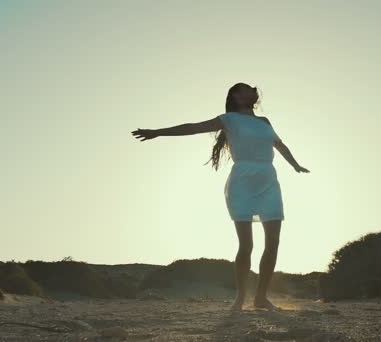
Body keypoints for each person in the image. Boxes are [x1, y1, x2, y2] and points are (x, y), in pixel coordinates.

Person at [131, 82, 310, 311]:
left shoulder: (264, 122)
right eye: (245, 88)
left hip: (268, 182)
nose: (252, 89)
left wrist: (295, 165)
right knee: (246, 245)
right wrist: (158, 132)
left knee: (273, 242)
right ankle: (241, 297)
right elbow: (193, 127)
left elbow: (279, 144)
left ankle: (261, 298)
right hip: (242, 183)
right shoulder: (228, 120)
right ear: (235, 96)